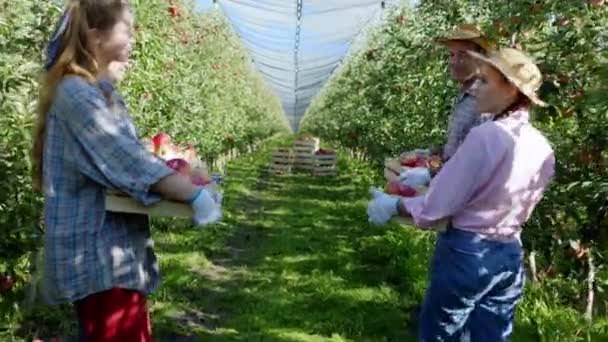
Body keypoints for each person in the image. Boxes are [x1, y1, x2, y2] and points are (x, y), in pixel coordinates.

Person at [31, 1, 220, 340]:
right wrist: (194, 196)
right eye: (126, 30)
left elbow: (128, 155)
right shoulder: (77, 94)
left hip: (112, 253)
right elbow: (128, 162)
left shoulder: (96, 92)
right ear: (96, 35)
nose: (134, 39)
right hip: (97, 255)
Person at [367, 48, 555, 341]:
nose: (476, 89)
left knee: (444, 332)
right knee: (491, 334)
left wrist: (394, 204)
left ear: (510, 89)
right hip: (508, 255)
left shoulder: (486, 136)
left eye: (485, 82)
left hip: (466, 251)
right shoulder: (542, 147)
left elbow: (439, 204)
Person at [437, 24, 494, 160]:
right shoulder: (465, 95)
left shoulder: (486, 99)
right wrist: (432, 154)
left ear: (481, 58)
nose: (454, 61)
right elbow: (457, 148)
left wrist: (430, 174)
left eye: (463, 55)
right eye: (452, 54)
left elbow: (477, 158)